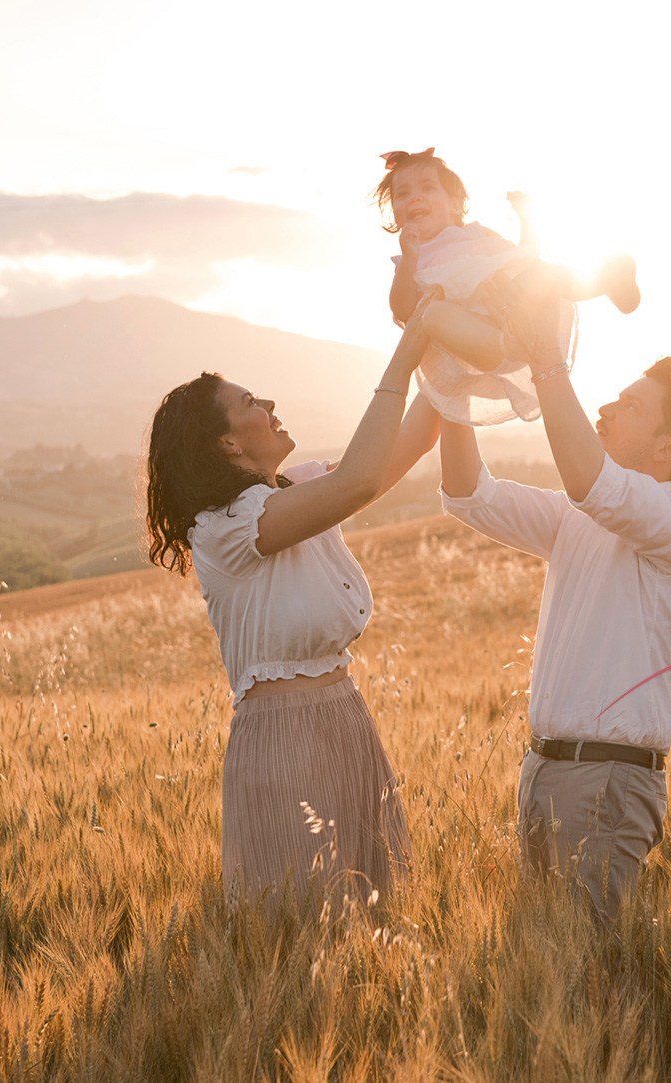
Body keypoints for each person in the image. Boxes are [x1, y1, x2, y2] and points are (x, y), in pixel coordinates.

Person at [143, 290, 442, 911]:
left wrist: (451, 360)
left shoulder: (296, 489)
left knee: (377, 917)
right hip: (285, 739)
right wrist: (405, 352)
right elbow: (359, 480)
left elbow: (402, 448)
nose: (270, 404)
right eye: (250, 402)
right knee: (298, 927)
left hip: (346, 718)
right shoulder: (224, 527)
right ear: (227, 444)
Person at [437, 276, 671, 922]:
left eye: (631, 406)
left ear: (667, 448)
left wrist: (546, 361)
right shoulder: (577, 515)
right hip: (544, 775)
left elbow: (592, 481)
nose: (609, 409)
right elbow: (467, 492)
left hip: (607, 784)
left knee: (590, 982)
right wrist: (450, 385)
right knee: (548, 982)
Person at [376, 147, 641, 426]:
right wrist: (409, 258)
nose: (414, 197)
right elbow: (404, 310)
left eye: (427, 188)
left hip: (521, 314)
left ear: (454, 204)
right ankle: (512, 339)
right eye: (402, 194)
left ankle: (604, 282)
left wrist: (527, 218)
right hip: (484, 342)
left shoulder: (476, 238)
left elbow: (524, 255)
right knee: (433, 314)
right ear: (394, 213)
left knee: (533, 274)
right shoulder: (412, 256)